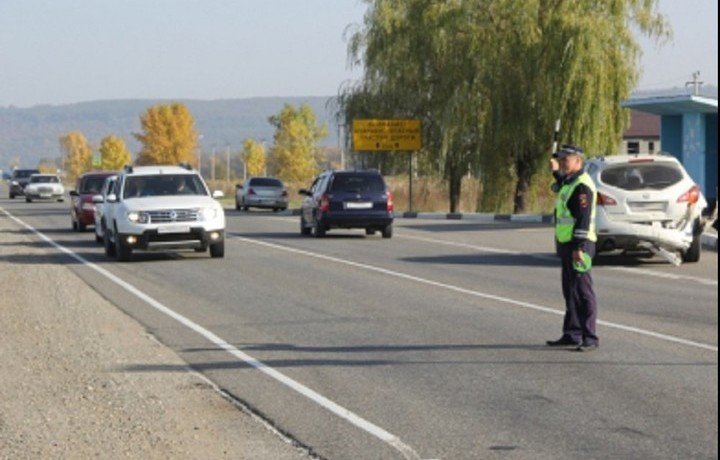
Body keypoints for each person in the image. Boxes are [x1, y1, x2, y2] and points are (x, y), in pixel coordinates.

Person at [547, 144, 599, 352]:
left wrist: (579, 247)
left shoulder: (583, 185)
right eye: (560, 159)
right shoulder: (571, 182)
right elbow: (561, 186)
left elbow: (583, 219)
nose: (562, 162)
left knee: (583, 292)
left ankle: (590, 336)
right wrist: (555, 172)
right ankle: (572, 334)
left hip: (580, 245)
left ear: (578, 161)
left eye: (565, 160)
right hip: (568, 245)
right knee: (570, 291)